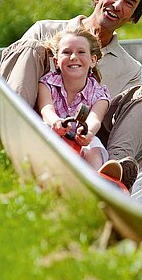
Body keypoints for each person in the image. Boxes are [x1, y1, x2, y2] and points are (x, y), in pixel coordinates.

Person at [0, 0, 142, 191]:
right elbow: (13, 71)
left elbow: (106, 119)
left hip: (87, 143)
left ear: (133, 16)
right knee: (29, 48)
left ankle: (112, 175)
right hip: (38, 124)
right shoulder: (43, 31)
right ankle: (12, 141)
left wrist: (87, 132)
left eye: (129, 3)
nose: (118, 5)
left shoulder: (130, 69)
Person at [36, 27, 111, 172]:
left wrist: (87, 132)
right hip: (54, 133)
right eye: (66, 52)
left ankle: (97, 177)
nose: (73, 57)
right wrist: (55, 122)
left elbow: (95, 119)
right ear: (57, 61)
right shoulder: (47, 83)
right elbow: (46, 108)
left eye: (81, 52)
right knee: (43, 129)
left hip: (80, 140)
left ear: (93, 61)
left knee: (94, 146)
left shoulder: (99, 94)